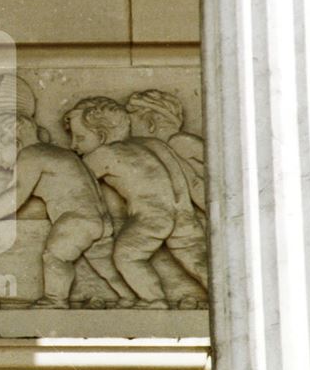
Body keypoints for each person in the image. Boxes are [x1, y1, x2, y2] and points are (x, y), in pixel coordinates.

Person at [0, 113, 137, 308]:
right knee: (106, 267)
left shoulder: (31, 155)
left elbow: (16, 193)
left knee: (55, 256)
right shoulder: (57, 153)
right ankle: (130, 296)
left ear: (15, 141)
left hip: (76, 219)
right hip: (99, 221)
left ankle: (55, 300)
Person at [64, 97, 208, 308]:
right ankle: (226, 298)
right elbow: (193, 181)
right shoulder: (156, 145)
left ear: (101, 135)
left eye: (80, 137)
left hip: (151, 217)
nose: (73, 145)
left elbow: (74, 189)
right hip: (185, 216)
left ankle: (154, 299)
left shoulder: (101, 154)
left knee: (127, 257)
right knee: (197, 262)